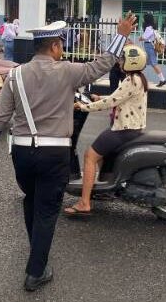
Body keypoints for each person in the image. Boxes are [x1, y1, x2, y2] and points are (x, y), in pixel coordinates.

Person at [0, 15, 136, 292]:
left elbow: (0, 116)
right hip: (54, 154)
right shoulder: (67, 71)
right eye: (60, 44)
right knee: (47, 210)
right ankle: (36, 272)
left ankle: (36, 252)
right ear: (53, 47)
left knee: (32, 200)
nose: (62, 48)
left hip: (22, 153)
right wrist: (121, 35)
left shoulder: (15, 75)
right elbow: (101, 65)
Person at [63, 45, 149, 216]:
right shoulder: (139, 78)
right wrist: (98, 97)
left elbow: (111, 102)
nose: (119, 62)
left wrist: (84, 106)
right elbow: (118, 98)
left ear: (131, 63)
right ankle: (102, 189)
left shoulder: (130, 80)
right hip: (131, 128)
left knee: (90, 156)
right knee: (102, 154)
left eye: (123, 60)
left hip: (123, 130)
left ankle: (84, 202)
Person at [138, 13, 166, 87]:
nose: (143, 20)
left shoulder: (148, 28)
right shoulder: (152, 27)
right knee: (144, 62)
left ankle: (162, 79)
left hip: (149, 46)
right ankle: (138, 77)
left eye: (144, 18)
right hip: (150, 46)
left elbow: (144, 37)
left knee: (153, 63)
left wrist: (140, 38)